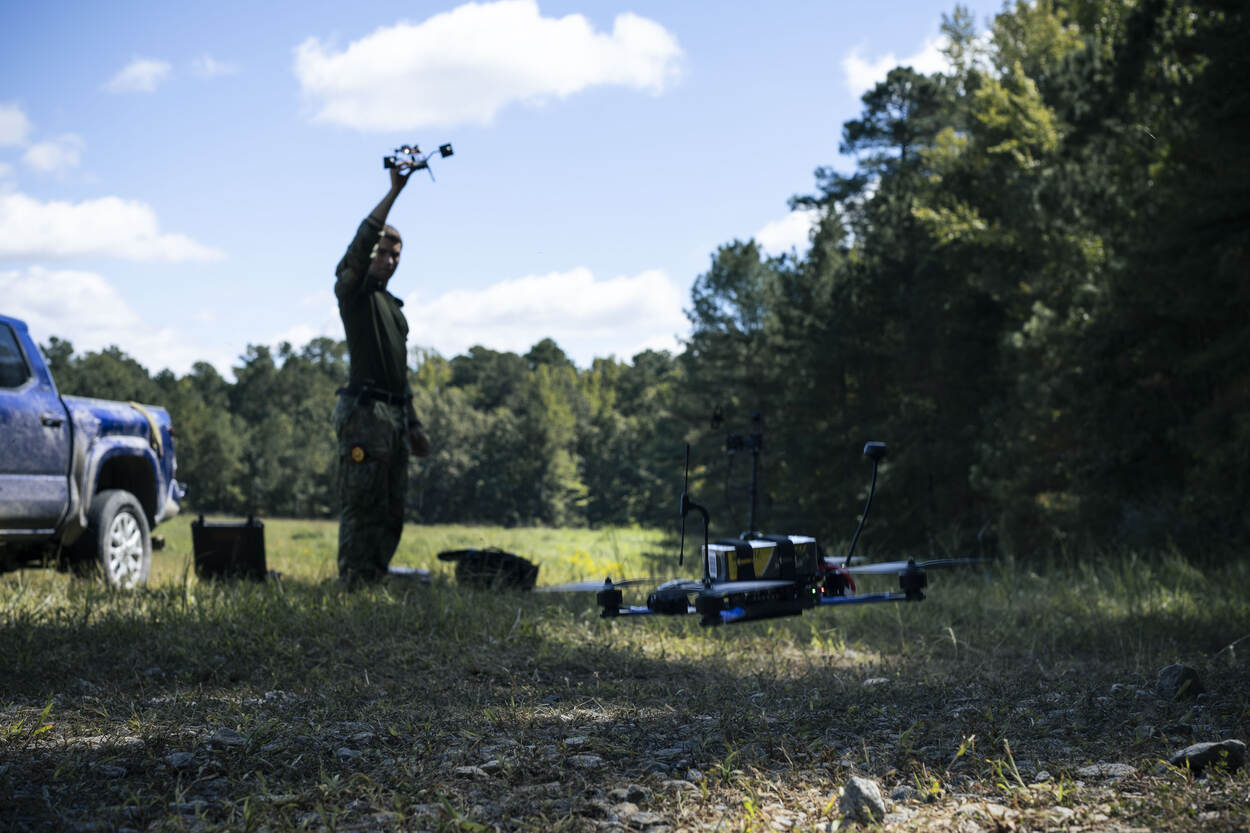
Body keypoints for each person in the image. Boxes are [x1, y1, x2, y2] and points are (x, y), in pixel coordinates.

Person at [333, 164, 432, 586]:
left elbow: (399, 373)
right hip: (364, 414)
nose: (389, 261)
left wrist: (412, 423)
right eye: (384, 252)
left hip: (392, 418)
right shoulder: (354, 293)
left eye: (396, 255)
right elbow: (358, 248)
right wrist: (395, 192)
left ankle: (374, 576)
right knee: (363, 500)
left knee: (392, 505)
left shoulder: (393, 310)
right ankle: (353, 582)